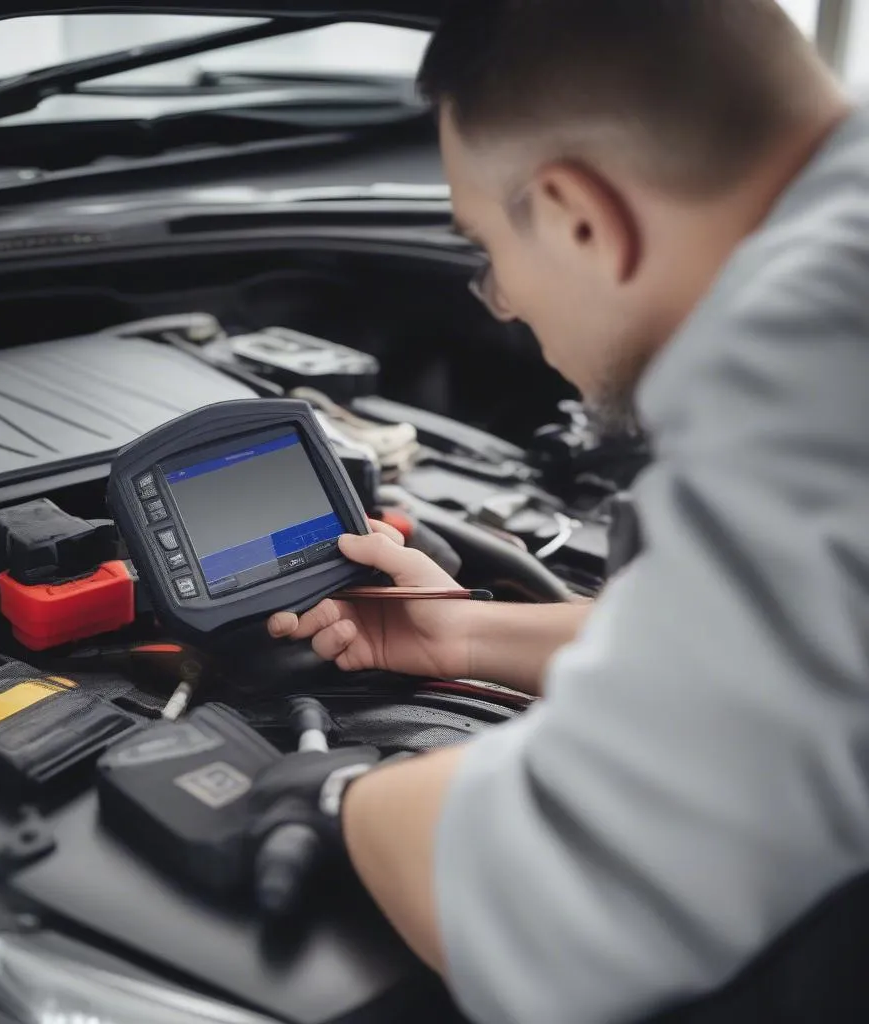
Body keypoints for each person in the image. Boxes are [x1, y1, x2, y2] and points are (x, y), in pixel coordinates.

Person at [250, 2, 869, 1021]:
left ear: (579, 216)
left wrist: (332, 801)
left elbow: (573, 904)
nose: (500, 298)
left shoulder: (812, 350)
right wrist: (467, 629)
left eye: (486, 248)